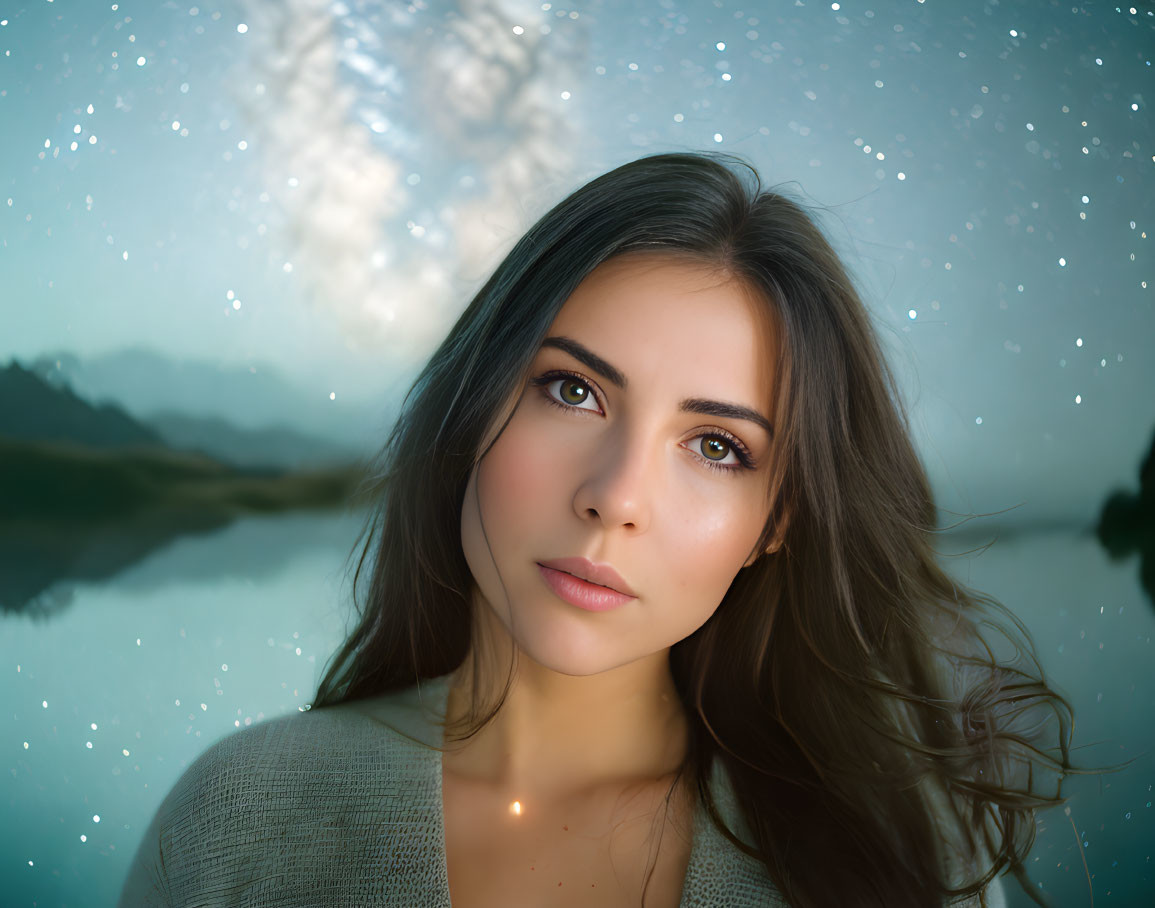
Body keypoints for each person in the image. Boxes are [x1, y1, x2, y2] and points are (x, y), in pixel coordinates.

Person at [119, 152, 1078, 907]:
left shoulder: (891, 857)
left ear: (776, 522)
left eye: (715, 446)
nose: (615, 496)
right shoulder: (242, 815)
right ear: (474, 404)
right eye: (571, 390)